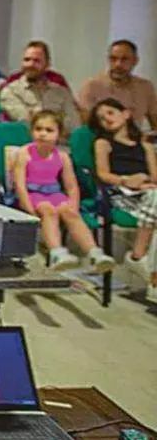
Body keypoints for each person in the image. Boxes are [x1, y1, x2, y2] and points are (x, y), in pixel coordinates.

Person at [12, 110, 114, 272]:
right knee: (48, 211)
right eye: (38, 129)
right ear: (32, 131)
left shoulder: (62, 156)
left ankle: (94, 254)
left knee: (70, 213)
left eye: (49, 130)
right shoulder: (25, 152)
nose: (43, 134)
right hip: (33, 194)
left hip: (55, 194)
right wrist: (27, 206)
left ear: (58, 134)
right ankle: (57, 253)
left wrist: (73, 205)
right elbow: (19, 183)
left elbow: (71, 185)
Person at [89, 99, 157, 298]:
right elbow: (102, 174)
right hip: (121, 193)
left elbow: (155, 175)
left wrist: (145, 181)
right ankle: (137, 255)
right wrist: (127, 180)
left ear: (126, 114)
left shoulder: (144, 146)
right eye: (101, 118)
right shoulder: (103, 143)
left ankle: (150, 277)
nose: (106, 119)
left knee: (154, 196)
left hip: (146, 191)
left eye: (110, 113)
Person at [0, 41, 81, 132]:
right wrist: (59, 118)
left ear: (47, 64)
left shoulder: (62, 92)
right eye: (27, 60)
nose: (30, 64)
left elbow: (74, 124)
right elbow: (29, 123)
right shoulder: (10, 91)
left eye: (36, 61)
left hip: (62, 140)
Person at [78, 40, 157, 130]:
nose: (118, 64)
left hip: (135, 137)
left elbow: (155, 123)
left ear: (135, 61)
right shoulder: (92, 85)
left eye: (124, 59)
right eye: (113, 58)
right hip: (101, 137)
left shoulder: (145, 87)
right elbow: (86, 126)